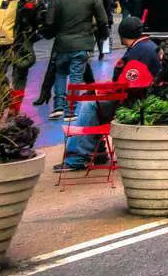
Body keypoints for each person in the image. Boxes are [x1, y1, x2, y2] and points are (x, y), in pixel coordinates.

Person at [59, 16, 162, 172]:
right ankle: (97, 152)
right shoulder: (149, 46)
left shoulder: (137, 53)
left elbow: (126, 85)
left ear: (122, 34)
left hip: (134, 101)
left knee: (89, 104)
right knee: (94, 101)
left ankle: (77, 157)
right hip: (144, 97)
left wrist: (102, 90)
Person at [45, 0, 109, 121]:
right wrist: (102, 36)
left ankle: (58, 106)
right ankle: (70, 110)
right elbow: (103, 20)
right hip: (83, 43)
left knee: (60, 73)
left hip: (62, 43)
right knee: (76, 75)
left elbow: (49, 22)